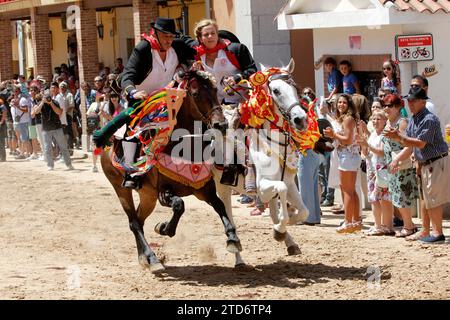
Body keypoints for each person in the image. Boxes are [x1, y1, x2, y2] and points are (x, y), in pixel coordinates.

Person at [92, 17, 196, 189]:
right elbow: (128, 74)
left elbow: (194, 45)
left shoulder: (176, 46)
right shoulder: (143, 48)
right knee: (132, 126)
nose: (169, 40)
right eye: (165, 36)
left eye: (171, 37)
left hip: (167, 97)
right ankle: (130, 170)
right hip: (142, 97)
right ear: (155, 33)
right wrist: (132, 91)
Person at [185, 19, 257, 189]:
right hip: (213, 105)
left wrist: (237, 78)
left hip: (240, 100)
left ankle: (240, 169)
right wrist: (192, 71)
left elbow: (253, 70)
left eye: (213, 33)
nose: (210, 37)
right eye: (206, 34)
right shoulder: (196, 56)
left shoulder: (235, 50)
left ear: (218, 34)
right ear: (200, 38)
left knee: (230, 128)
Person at [385, 87, 448, 243]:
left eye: (413, 100)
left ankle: (437, 233)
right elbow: (411, 144)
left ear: (422, 101)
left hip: (435, 161)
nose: (410, 103)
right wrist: (399, 138)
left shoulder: (429, 119)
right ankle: (432, 231)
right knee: (429, 199)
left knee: (434, 199)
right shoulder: (415, 118)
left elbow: (420, 143)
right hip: (427, 163)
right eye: (409, 100)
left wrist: (398, 136)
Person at [381, 94, 418, 238]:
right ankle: (409, 225)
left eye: (389, 106)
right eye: (385, 105)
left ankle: (409, 226)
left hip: (401, 164)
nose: (386, 108)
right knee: (396, 196)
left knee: (402, 196)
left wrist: (396, 160)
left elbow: (409, 146)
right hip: (392, 164)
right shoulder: (388, 123)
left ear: (397, 107)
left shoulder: (402, 123)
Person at [324, 94, 362, 233]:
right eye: (339, 102)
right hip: (349, 156)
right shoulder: (348, 118)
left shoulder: (347, 119)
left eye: (344, 103)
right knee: (351, 191)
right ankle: (356, 220)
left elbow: (346, 139)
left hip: (348, 156)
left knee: (347, 191)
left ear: (349, 104)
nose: (341, 105)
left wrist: (333, 135)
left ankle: (348, 221)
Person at [357, 110, 394, 236]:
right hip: (372, 170)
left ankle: (387, 226)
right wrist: (364, 145)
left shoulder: (385, 135)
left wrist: (368, 145)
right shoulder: (372, 134)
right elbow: (366, 153)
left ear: (384, 121)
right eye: (373, 119)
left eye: (378, 119)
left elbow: (382, 152)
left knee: (385, 199)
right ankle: (378, 225)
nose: (375, 121)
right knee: (374, 198)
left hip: (382, 170)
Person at [33, 91, 74, 171]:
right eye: (45, 97)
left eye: (48, 97)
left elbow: (59, 112)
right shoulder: (40, 103)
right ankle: (50, 165)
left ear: (51, 97)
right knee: (47, 148)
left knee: (63, 147)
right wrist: (42, 102)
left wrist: (51, 103)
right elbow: (36, 112)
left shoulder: (55, 102)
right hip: (46, 129)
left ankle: (69, 164)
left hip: (57, 128)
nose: (47, 98)